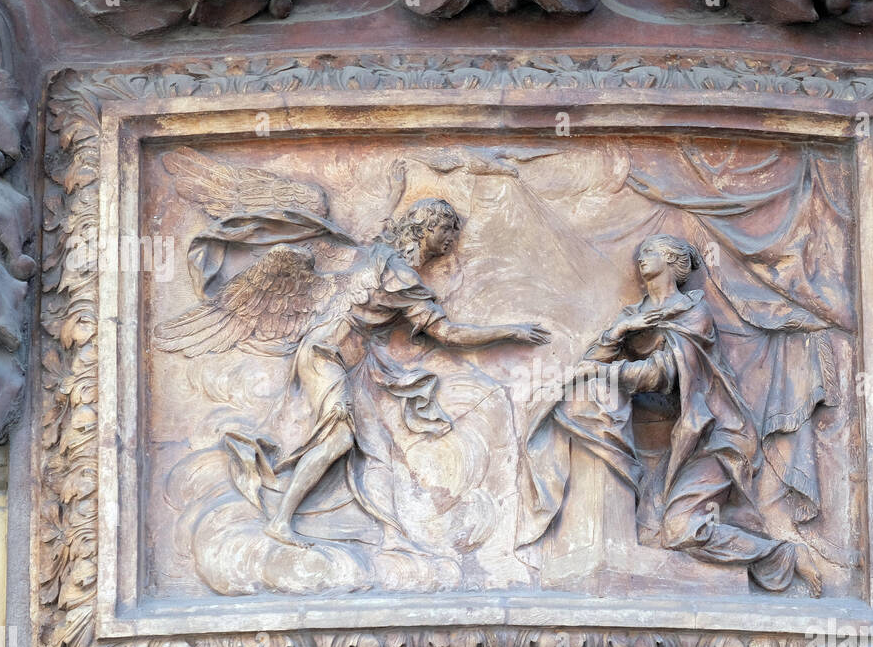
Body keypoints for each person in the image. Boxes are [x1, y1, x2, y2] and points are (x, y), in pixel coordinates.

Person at [155, 198, 549, 547]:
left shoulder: (378, 258)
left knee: (366, 443)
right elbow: (446, 332)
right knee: (341, 439)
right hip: (325, 356)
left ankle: (314, 515)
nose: (451, 238)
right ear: (424, 228)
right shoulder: (399, 275)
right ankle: (280, 520)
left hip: (346, 363)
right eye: (446, 228)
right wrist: (511, 331)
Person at [517, 233, 818, 593]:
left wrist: (607, 372)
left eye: (652, 252)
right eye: (641, 253)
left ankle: (782, 555)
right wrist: (616, 334)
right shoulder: (634, 315)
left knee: (680, 529)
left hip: (710, 436)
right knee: (652, 527)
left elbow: (663, 373)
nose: (642, 258)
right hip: (663, 441)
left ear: (673, 262)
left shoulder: (694, 314)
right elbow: (589, 366)